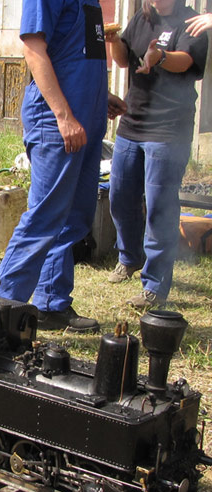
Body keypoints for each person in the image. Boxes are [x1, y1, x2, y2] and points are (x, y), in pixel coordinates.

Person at [0, 0, 127, 333]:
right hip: (57, 122)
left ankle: (51, 304)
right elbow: (34, 49)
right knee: (45, 217)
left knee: (74, 218)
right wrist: (64, 114)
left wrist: (100, 95)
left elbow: (73, 54)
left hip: (86, 118)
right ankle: (2, 315)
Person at [105, 0, 207, 308]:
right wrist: (113, 43)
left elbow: (186, 62)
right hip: (133, 121)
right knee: (120, 196)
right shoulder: (142, 17)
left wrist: (160, 56)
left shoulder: (192, 22)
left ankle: (155, 284)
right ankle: (129, 257)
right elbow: (124, 60)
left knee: (160, 207)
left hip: (168, 129)